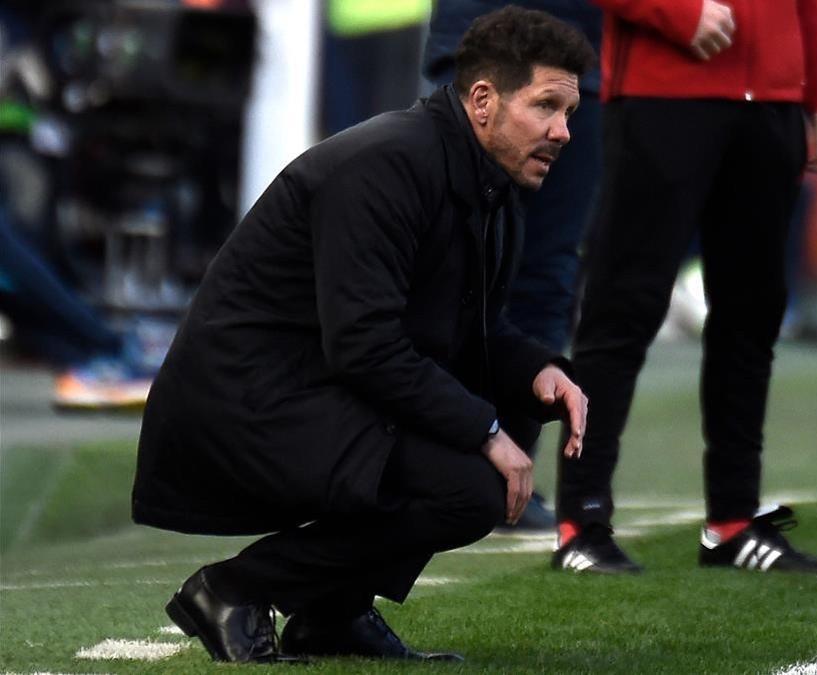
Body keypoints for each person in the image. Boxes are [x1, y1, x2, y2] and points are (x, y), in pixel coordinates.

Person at [132, 7, 594, 663]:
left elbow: (471, 329)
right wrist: (486, 433)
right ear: (484, 100)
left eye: (569, 111)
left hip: (318, 387)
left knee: (486, 447)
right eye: (547, 106)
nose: (563, 131)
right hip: (244, 403)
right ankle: (233, 587)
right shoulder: (387, 163)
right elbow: (364, 343)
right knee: (469, 487)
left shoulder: (485, 180)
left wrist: (537, 373)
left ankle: (331, 612)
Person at [553, 0, 817, 574]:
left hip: (772, 103)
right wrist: (677, 13)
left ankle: (733, 523)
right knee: (624, 309)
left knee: (752, 314)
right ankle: (580, 521)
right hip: (663, 94)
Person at [423, 0, 604, 530]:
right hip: (476, 45)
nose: (558, 132)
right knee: (451, 264)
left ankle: (508, 470)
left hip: (577, 55)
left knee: (548, 276)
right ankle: (442, 457)